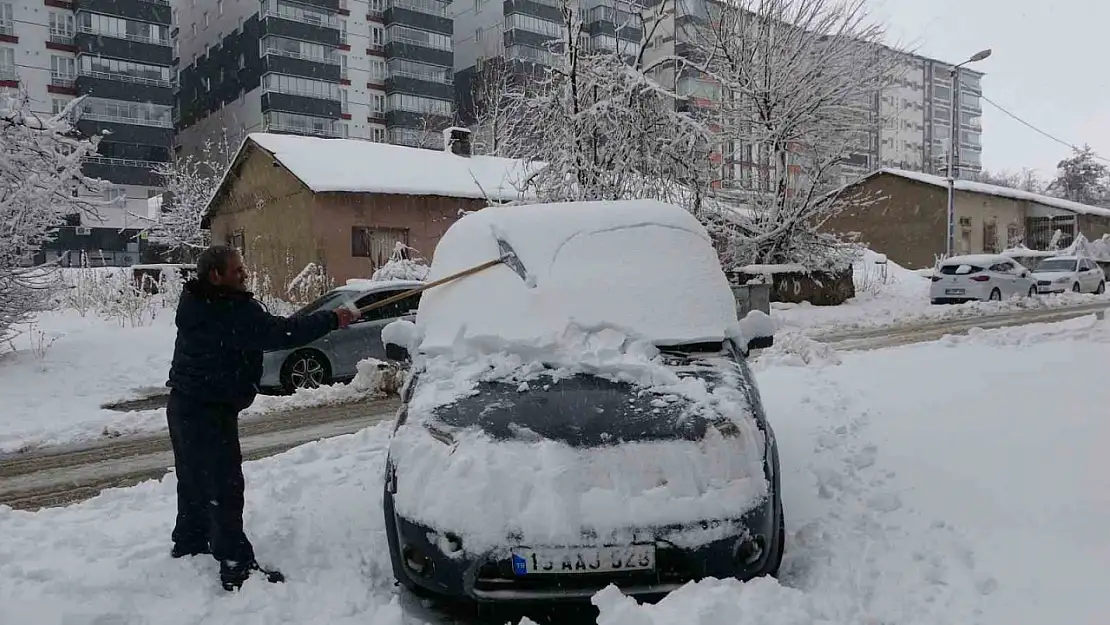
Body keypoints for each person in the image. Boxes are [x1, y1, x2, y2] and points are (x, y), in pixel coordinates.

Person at [165, 245, 355, 591]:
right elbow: (282, 333)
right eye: (237, 270)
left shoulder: (198, 301)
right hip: (208, 408)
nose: (244, 274)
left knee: (193, 477)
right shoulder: (227, 311)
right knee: (224, 486)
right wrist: (333, 319)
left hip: (184, 404)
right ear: (216, 276)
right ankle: (235, 564)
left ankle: (190, 540)